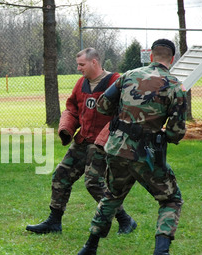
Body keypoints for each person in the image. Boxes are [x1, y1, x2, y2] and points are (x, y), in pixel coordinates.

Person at [76, 39, 190, 255]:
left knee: (112, 196)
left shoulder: (127, 76)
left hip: (116, 148)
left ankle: (89, 248)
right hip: (146, 153)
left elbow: (103, 105)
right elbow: (176, 132)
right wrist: (160, 132)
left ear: (151, 56)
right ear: (172, 59)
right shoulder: (175, 85)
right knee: (171, 199)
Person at [26, 48, 136, 235]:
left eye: (81, 64)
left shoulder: (115, 82)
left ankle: (125, 220)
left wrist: (103, 139)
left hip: (103, 142)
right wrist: (66, 127)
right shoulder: (81, 84)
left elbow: (123, 115)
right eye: (78, 64)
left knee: (93, 182)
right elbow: (72, 109)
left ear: (95, 62)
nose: (78, 68)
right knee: (61, 175)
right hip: (82, 140)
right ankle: (54, 222)